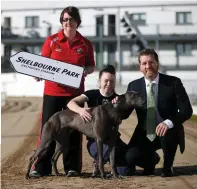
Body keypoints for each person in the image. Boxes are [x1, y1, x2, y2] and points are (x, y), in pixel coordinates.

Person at [30, 6, 95, 178]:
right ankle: (41, 167)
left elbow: (91, 66)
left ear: (77, 22)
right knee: (48, 128)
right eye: (65, 20)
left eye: (71, 19)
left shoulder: (85, 44)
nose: (68, 23)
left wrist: (84, 71)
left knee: (74, 130)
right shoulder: (52, 41)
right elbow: (42, 63)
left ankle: (72, 167)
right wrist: (39, 74)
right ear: (62, 22)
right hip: (53, 93)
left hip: (75, 95)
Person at [67, 64, 160, 176]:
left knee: (126, 170)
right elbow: (70, 103)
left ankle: (151, 158)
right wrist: (80, 110)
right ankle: (99, 162)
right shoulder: (92, 94)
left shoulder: (119, 99)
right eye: (106, 80)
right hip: (95, 141)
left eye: (112, 81)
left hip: (114, 140)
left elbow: (124, 114)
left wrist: (119, 106)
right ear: (100, 81)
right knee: (107, 152)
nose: (108, 84)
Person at [117, 48, 193, 177]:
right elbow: (125, 113)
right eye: (144, 63)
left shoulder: (173, 82)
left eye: (151, 62)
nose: (148, 66)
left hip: (168, 130)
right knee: (130, 157)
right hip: (144, 131)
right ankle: (151, 161)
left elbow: (187, 110)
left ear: (157, 63)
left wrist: (169, 123)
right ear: (139, 67)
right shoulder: (133, 86)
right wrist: (116, 104)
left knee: (166, 131)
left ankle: (167, 167)